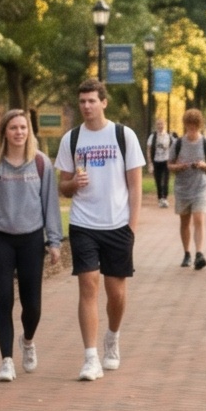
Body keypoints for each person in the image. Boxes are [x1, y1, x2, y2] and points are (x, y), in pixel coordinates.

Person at [0, 108, 63, 382]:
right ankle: (6, 359)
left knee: (33, 306)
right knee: (3, 300)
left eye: (23, 128)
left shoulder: (41, 164)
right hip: (0, 239)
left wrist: (54, 241)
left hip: (31, 239)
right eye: (13, 128)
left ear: (29, 132)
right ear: (4, 132)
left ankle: (27, 340)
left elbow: (50, 205)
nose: (19, 132)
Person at [57, 80, 143, 381]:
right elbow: (63, 187)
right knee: (88, 283)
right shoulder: (72, 139)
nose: (86, 106)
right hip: (84, 224)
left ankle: (113, 336)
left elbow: (135, 185)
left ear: (104, 102)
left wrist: (132, 226)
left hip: (118, 224)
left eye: (92, 100)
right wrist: (72, 185)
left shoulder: (123, 136)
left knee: (116, 293)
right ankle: (90, 357)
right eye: (82, 101)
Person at [169, 108, 206, 269]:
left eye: (195, 126)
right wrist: (179, 166)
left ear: (199, 125)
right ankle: (187, 253)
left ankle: (199, 253)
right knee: (184, 221)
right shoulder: (179, 143)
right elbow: (170, 164)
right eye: (189, 125)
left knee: (199, 219)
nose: (192, 129)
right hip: (182, 188)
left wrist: (203, 165)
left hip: (200, 187)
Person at [146, 121, 174, 209]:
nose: (160, 126)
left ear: (164, 125)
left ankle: (164, 198)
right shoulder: (153, 137)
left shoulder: (168, 136)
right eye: (158, 124)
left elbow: (173, 149)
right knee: (158, 180)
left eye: (162, 124)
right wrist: (150, 163)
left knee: (165, 180)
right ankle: (160, 198)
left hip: (166, 161)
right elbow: (149, 150)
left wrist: (173, 161)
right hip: (156, 161)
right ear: (156, 126)